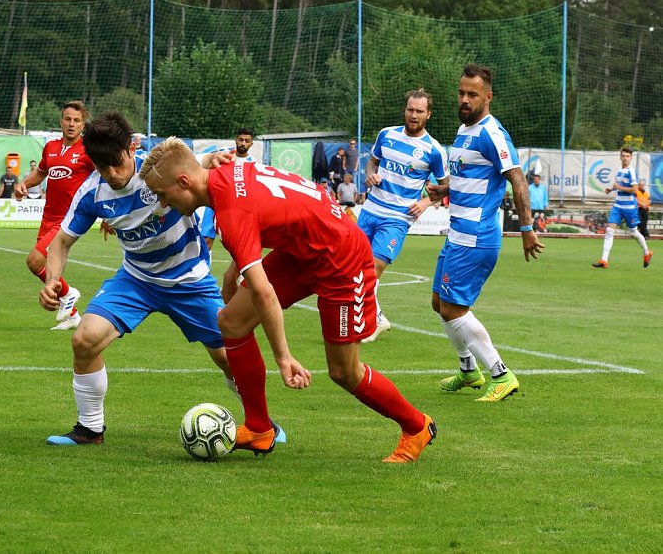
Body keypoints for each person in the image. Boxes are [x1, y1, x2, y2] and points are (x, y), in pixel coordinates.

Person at [140, 138, 437, 463]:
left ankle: (416, 426)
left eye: (162, 195)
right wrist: (232, 272)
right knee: (231, 322)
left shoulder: (230, 211)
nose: (163, 204)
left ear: (184, 182)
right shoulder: (224, 169)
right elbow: (255, 208)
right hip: (303, 248)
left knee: (344, 372)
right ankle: (259, 428)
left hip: (341, 259)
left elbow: (264, 293)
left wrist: (283, 358)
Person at [41, 112, 285, 446]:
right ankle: (90, 429)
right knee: (84, 340)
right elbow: (61, 242)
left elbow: (195, 166)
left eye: (116, 164)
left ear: (131, 149)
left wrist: (212, 160)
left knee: (230, 358)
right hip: (136, 280)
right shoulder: (92, 193)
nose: (112, 174)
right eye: (101, 167)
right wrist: (52, 280)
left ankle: (261, 423)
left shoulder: (157, 169)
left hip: (190, 280)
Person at [425, 64, 545, 403]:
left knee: (453, 309)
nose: (465, 99)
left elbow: (517, 179)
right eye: (462, 93)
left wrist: (526, 228)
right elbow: (469, 177)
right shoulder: (464, 130)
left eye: (472, 94)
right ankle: (468, 370)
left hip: (476, 237)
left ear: (488, 97)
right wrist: (444, 189)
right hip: (457, 233)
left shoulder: (492, 133)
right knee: (439, 303)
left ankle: (500, 373)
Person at [358, 88, 449, 342]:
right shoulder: (386, 134)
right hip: (370, 209)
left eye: (419, 111)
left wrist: (425, 203)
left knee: (373, 269)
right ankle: (377, 318)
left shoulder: (434, 150)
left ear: (428, 114)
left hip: (397, 218)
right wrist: (370, 175)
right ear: (405, 110)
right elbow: (372, 162)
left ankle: (370, 323)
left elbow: (447, 185)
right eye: (410, 110)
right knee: (353, 267)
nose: (414, 115)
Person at [14, 101, 95, 330]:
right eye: (68, 119)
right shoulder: (50, 147)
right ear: (61, 122)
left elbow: (104, 180)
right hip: (49, 216)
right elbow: (41, 173)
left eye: (76, 120)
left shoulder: (88, 152)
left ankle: (68, 294)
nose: (71, 124)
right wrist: (23, 184)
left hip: (69, 219)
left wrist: (109, 214)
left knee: (34, 259)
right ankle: (72, 315)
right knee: (37, 266)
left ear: (83, 125)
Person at [592, 148, 652, 269]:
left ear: (631, 158)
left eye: (627, 156)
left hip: (629, 207)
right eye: (623, 156)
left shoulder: (631, 172)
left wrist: (619, 188)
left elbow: (634, 189)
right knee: (609, 230)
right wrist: (611, 189)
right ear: (620, 157)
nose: (625, 158)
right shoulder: (619, 171)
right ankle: (604, 260)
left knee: (634, 232)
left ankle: (647, 253)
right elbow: (618, 185)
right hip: (618, 206)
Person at [197, 127, 255, 251]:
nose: (243, 143)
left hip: (229, 205)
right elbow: (203, 159)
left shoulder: (252, 164)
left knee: (237, 245)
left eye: (247, 141)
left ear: (251, 143)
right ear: (236, 140)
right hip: (209, 201)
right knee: (205, 240)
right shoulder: (223, 152)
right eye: (241, 140)